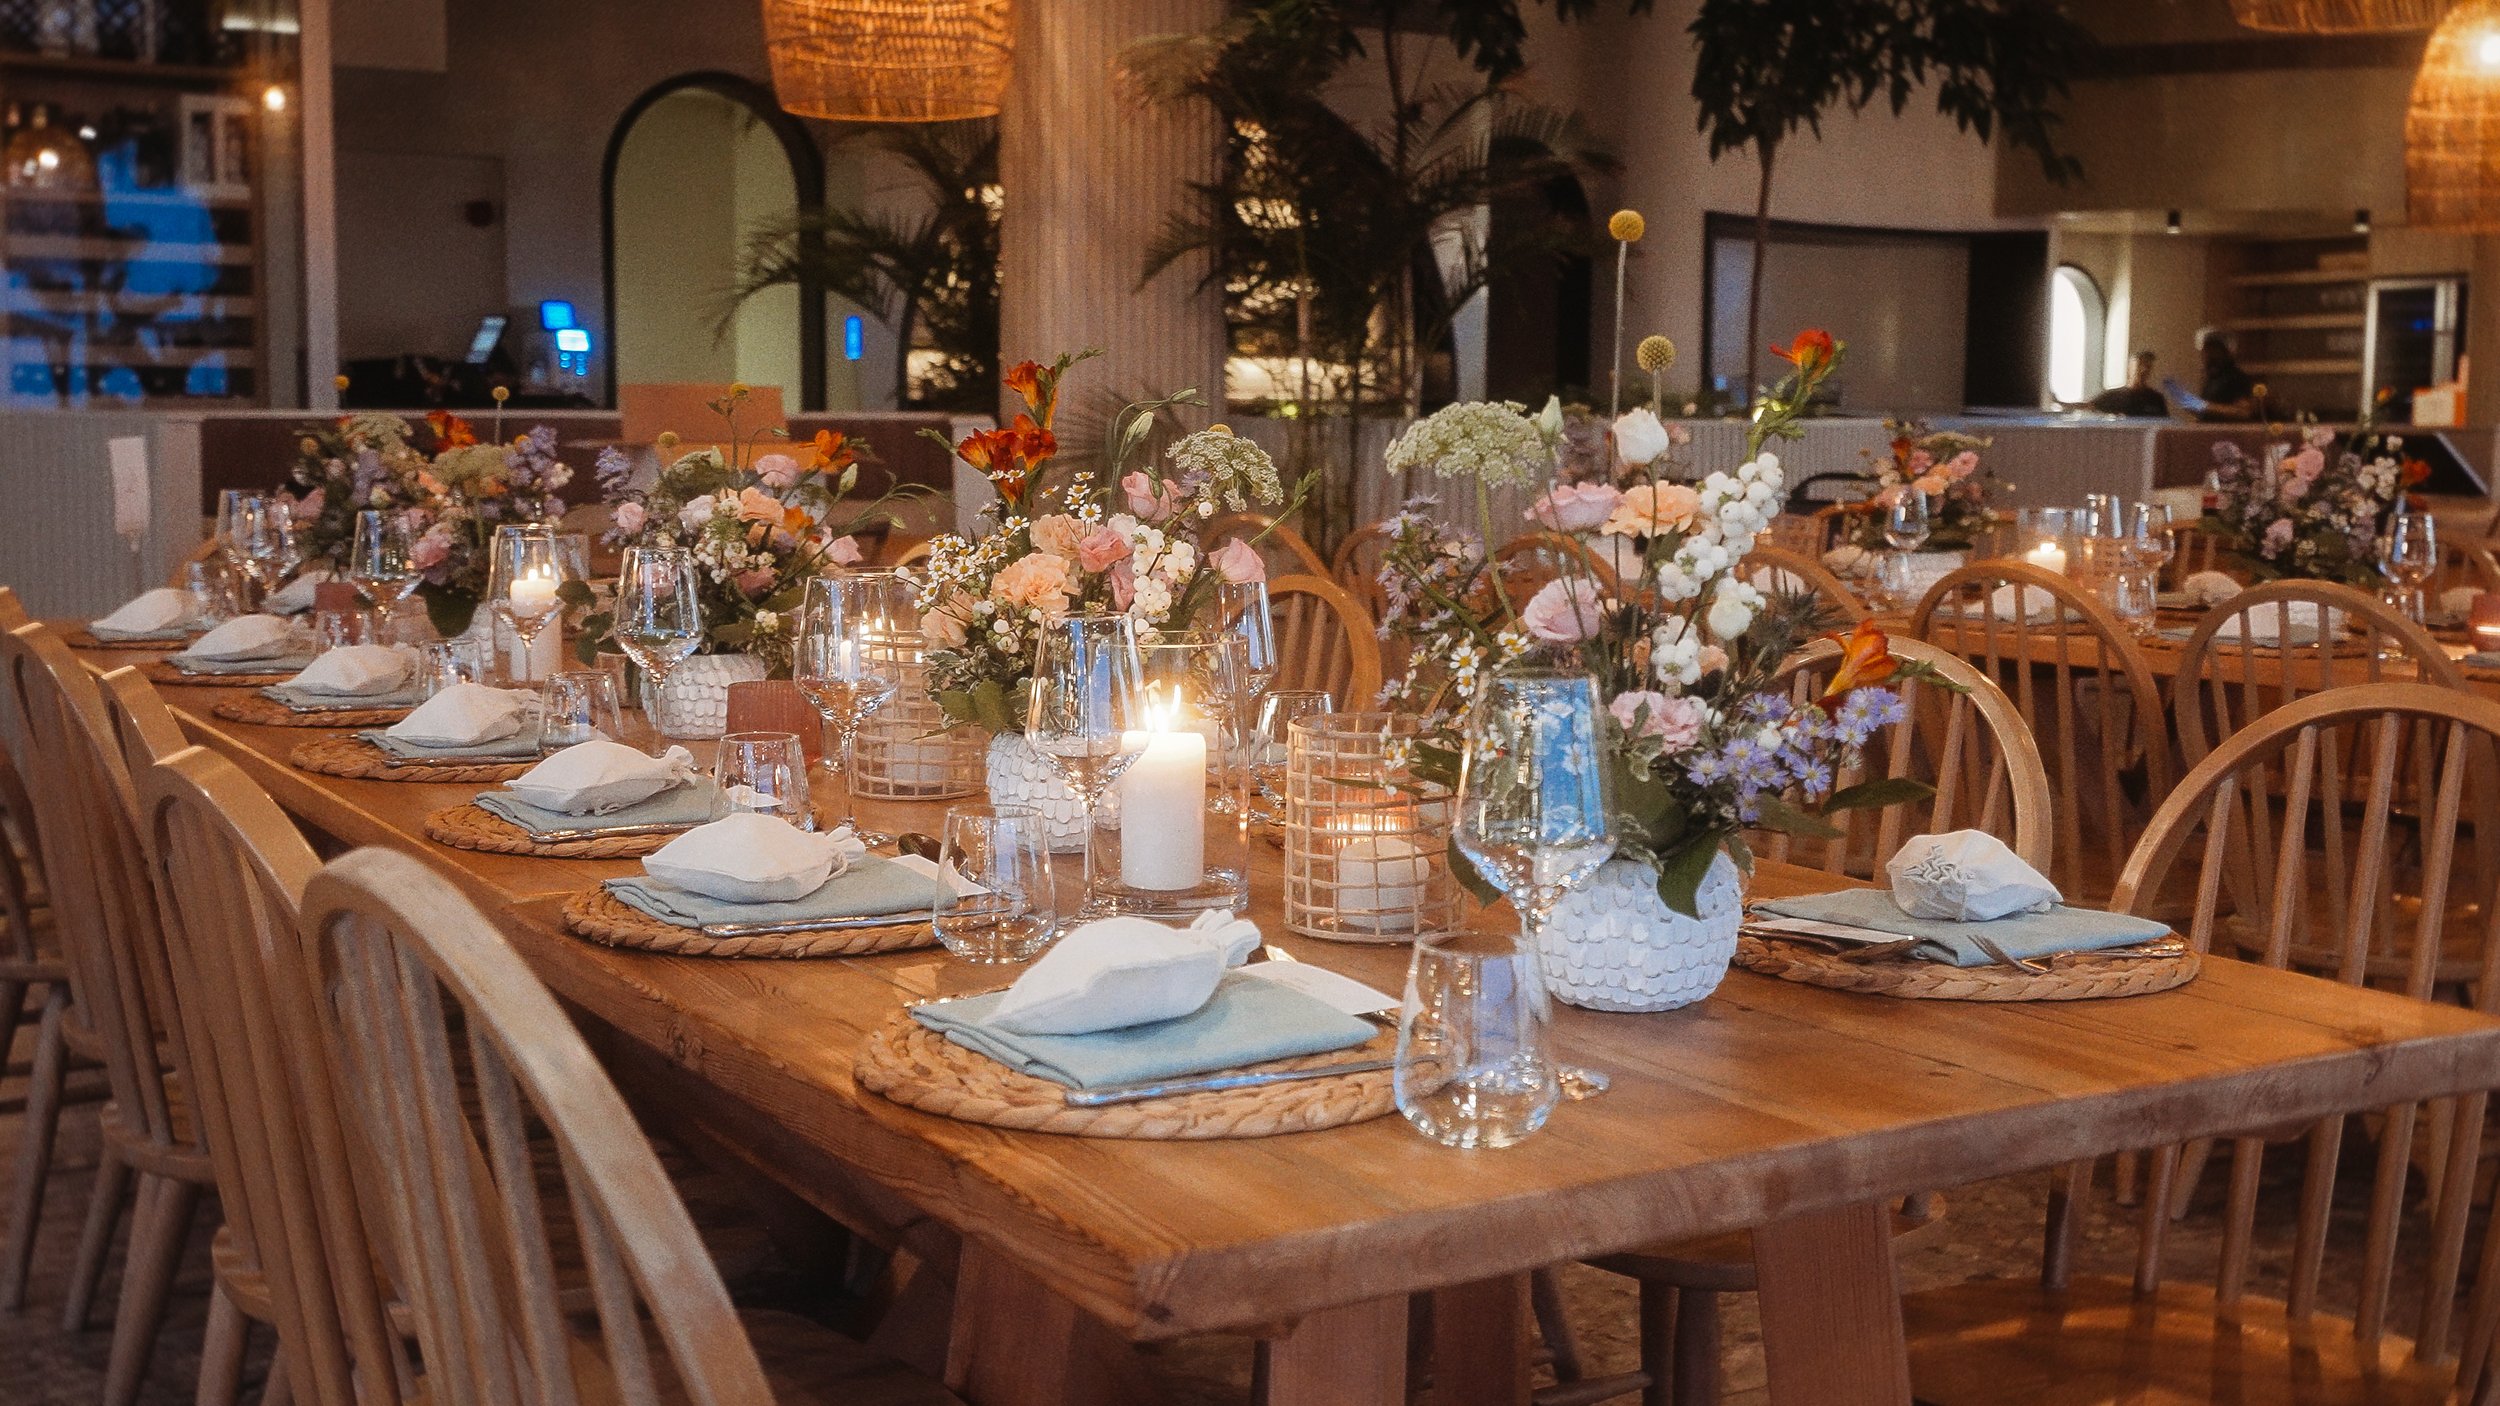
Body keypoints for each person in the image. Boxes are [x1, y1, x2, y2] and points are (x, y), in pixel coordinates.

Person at [2163, 329, 2260, 422]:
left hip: (2227, 438)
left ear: (2226, 352)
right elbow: (2208, 414)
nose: (2208, 356)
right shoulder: (2213, 379)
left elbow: (2243, 413)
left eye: (2214, 351)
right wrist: (2186, 403)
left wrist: (2201, 405)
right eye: (2206, 351)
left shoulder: (2237, 378)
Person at [2079, 350, 2170, 417]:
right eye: (2139, 366)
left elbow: (2164, 424)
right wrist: (2066, 406)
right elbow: (2088, 406)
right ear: (2129, 368)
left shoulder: (2156, 399)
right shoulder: (2113, 396)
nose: (2143, 370)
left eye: (2147, 366)